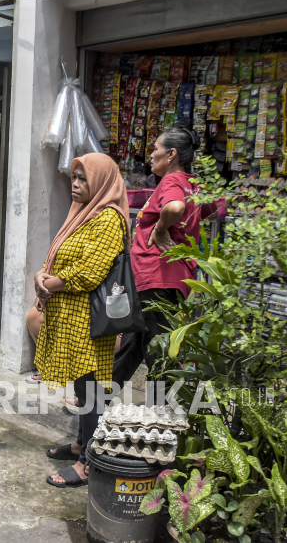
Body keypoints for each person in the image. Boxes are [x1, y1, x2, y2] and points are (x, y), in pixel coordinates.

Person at [31, 152, 129, 489]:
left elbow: (90, 271)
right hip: (72, 316)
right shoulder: (84, 213)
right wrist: (43, 275)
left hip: (90, 319)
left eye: (82, 178)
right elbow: (61, 256)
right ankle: (80, 443)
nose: (74, 184)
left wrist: (48, 283)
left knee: (91, 391)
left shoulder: (109, 219)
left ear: (101, 181)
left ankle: (89, 462)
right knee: (82, 386)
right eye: (73, 177)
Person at [112, 124, 210, 387]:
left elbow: (176, 207)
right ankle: (98, 397)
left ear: (171, 155)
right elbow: (212, 207)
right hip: (165, 278)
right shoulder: (193, 184)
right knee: (135, 342)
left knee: (158, 353)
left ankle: (163, 415)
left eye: (156, 149)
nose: (151, 155)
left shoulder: (172, 181)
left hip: (158, 276)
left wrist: (160, 228)